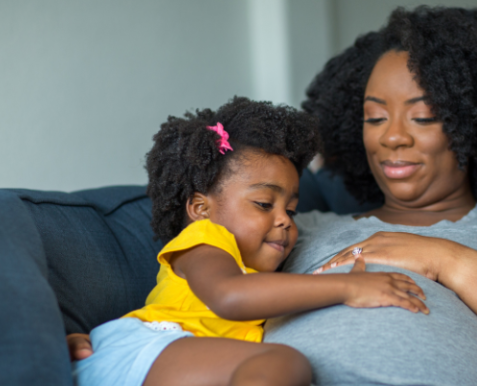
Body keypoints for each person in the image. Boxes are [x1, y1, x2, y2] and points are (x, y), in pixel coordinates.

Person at [70, 6, 477, 386]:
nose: (391, 136)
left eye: (425, 116)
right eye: (372, 117)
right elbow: (203, 299)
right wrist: (113, 346)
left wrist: (446, 259)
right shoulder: (289, 225)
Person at [70, 96, 428, 386]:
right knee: (281, 363)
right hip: (149, 346)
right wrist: (347, 287)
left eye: (291, 209)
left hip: (178, 360)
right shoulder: (205, 241)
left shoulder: (257, 272)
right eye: (263, 204)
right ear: (200, 208)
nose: (285, 220)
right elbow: (230, 297)